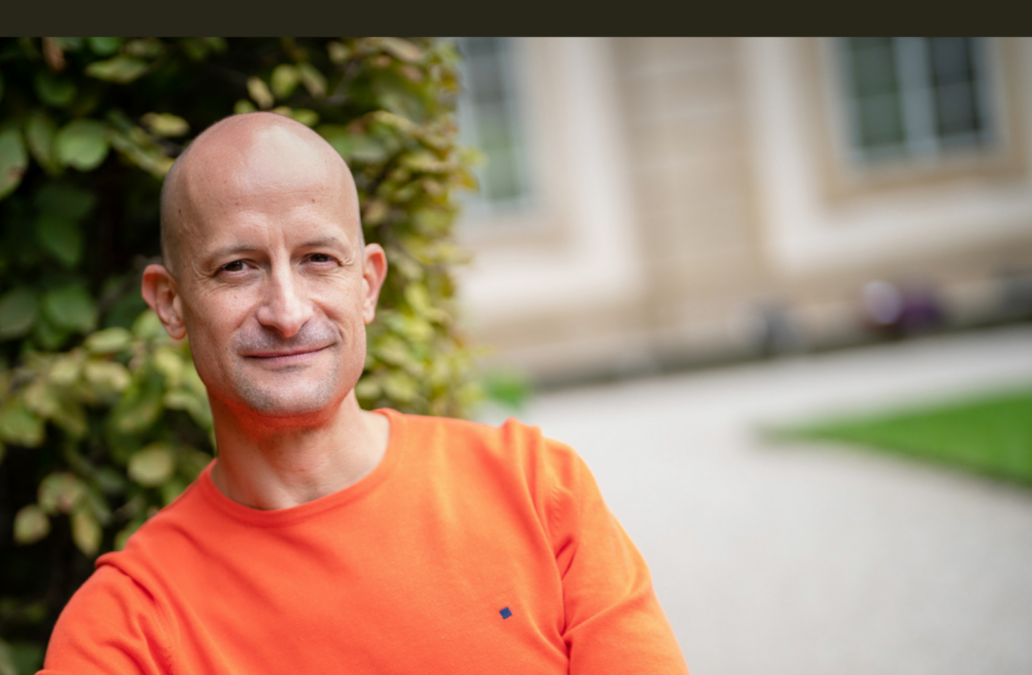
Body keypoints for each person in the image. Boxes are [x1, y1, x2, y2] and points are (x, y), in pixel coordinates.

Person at [38, 112, 688, 674]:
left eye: (318, 258)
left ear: (368, 285)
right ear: (171, 304)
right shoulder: (128, 625)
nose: (287, 312)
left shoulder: (538, 489)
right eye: (238, 267)